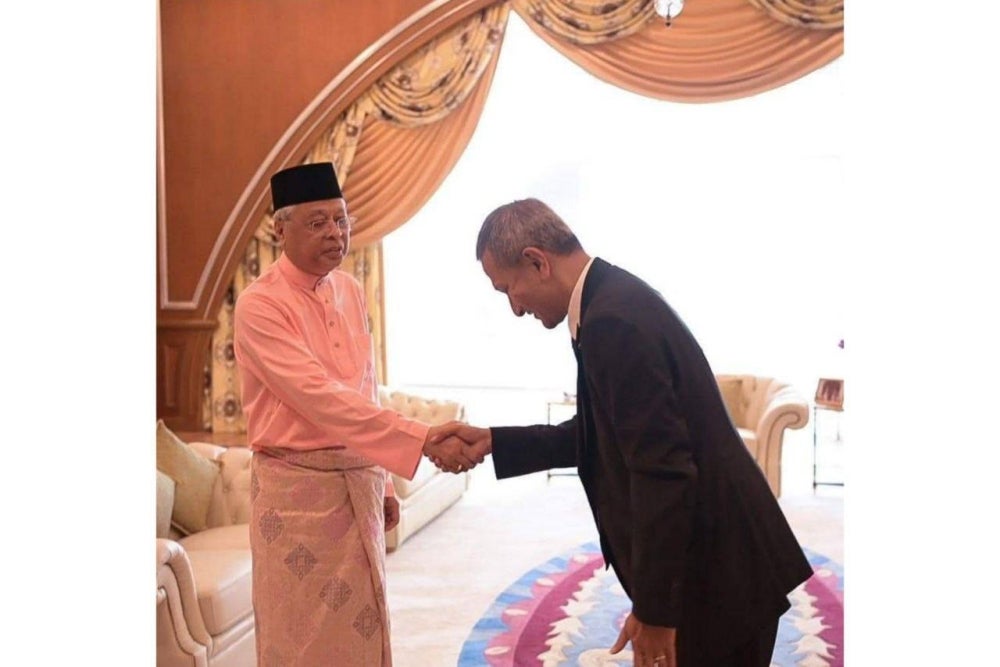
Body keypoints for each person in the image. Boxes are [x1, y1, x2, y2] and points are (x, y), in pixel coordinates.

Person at [431, 198, 814, 667]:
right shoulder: (608, 299)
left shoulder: (612, 322)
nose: (514, 308)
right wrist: (496, 440)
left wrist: (655, 612)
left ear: (537, 261)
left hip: (718, 568)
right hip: (716, 558)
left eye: (508, 288)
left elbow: (663, 473)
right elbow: (605, 435)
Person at [233, 162, 474, 666]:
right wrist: (422, 437)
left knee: (364, 626)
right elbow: (318, 396)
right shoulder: (259, 306)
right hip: (296, 496)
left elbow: (364, 388)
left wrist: (383, 480)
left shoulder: (350, 289)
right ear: (281, 229)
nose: (335, 234)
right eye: (318, 222)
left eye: (341, 220)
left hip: (358, 484)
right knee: (300, 638)